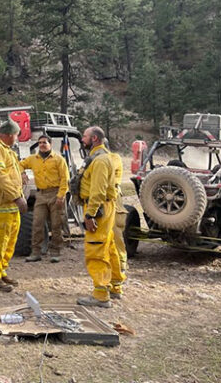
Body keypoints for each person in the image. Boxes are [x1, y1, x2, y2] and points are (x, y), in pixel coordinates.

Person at [76, 126, 125, 308]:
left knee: (95, 247)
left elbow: (98, 190)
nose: (82, 139)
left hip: (98, 208)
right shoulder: (99, 158)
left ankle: (100, 294)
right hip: (104, 206)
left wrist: (90, 214)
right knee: (109, 245)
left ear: (94, 138)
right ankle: (114, 286)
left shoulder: (100, 160)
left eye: (85, 136)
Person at [0, 120, 28, 292]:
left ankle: (0, 272)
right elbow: (0, 176)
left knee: (8, 244)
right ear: (9, 135)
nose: (17, 139)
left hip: (10, 207)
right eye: (17, 135)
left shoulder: (6, 149)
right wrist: (17, 197)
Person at [20, 134, 70, 263]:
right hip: (41, 194)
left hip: (55, 193)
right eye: (40, 142)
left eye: (45, 142)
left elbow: (65, 179)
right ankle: (36, 252)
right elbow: (18, 164)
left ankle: (56, 252)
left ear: (50, 144)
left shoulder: (58, 159)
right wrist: (22, 172)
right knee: (37, 224)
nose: (42, 144)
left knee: (56, 224)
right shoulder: (33, 159)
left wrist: (61, 196)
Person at [105, 139, 128, 286]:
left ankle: (120, 267)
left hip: (112, 198)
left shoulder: (113, 158)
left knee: (115, 235)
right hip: (102, 199)